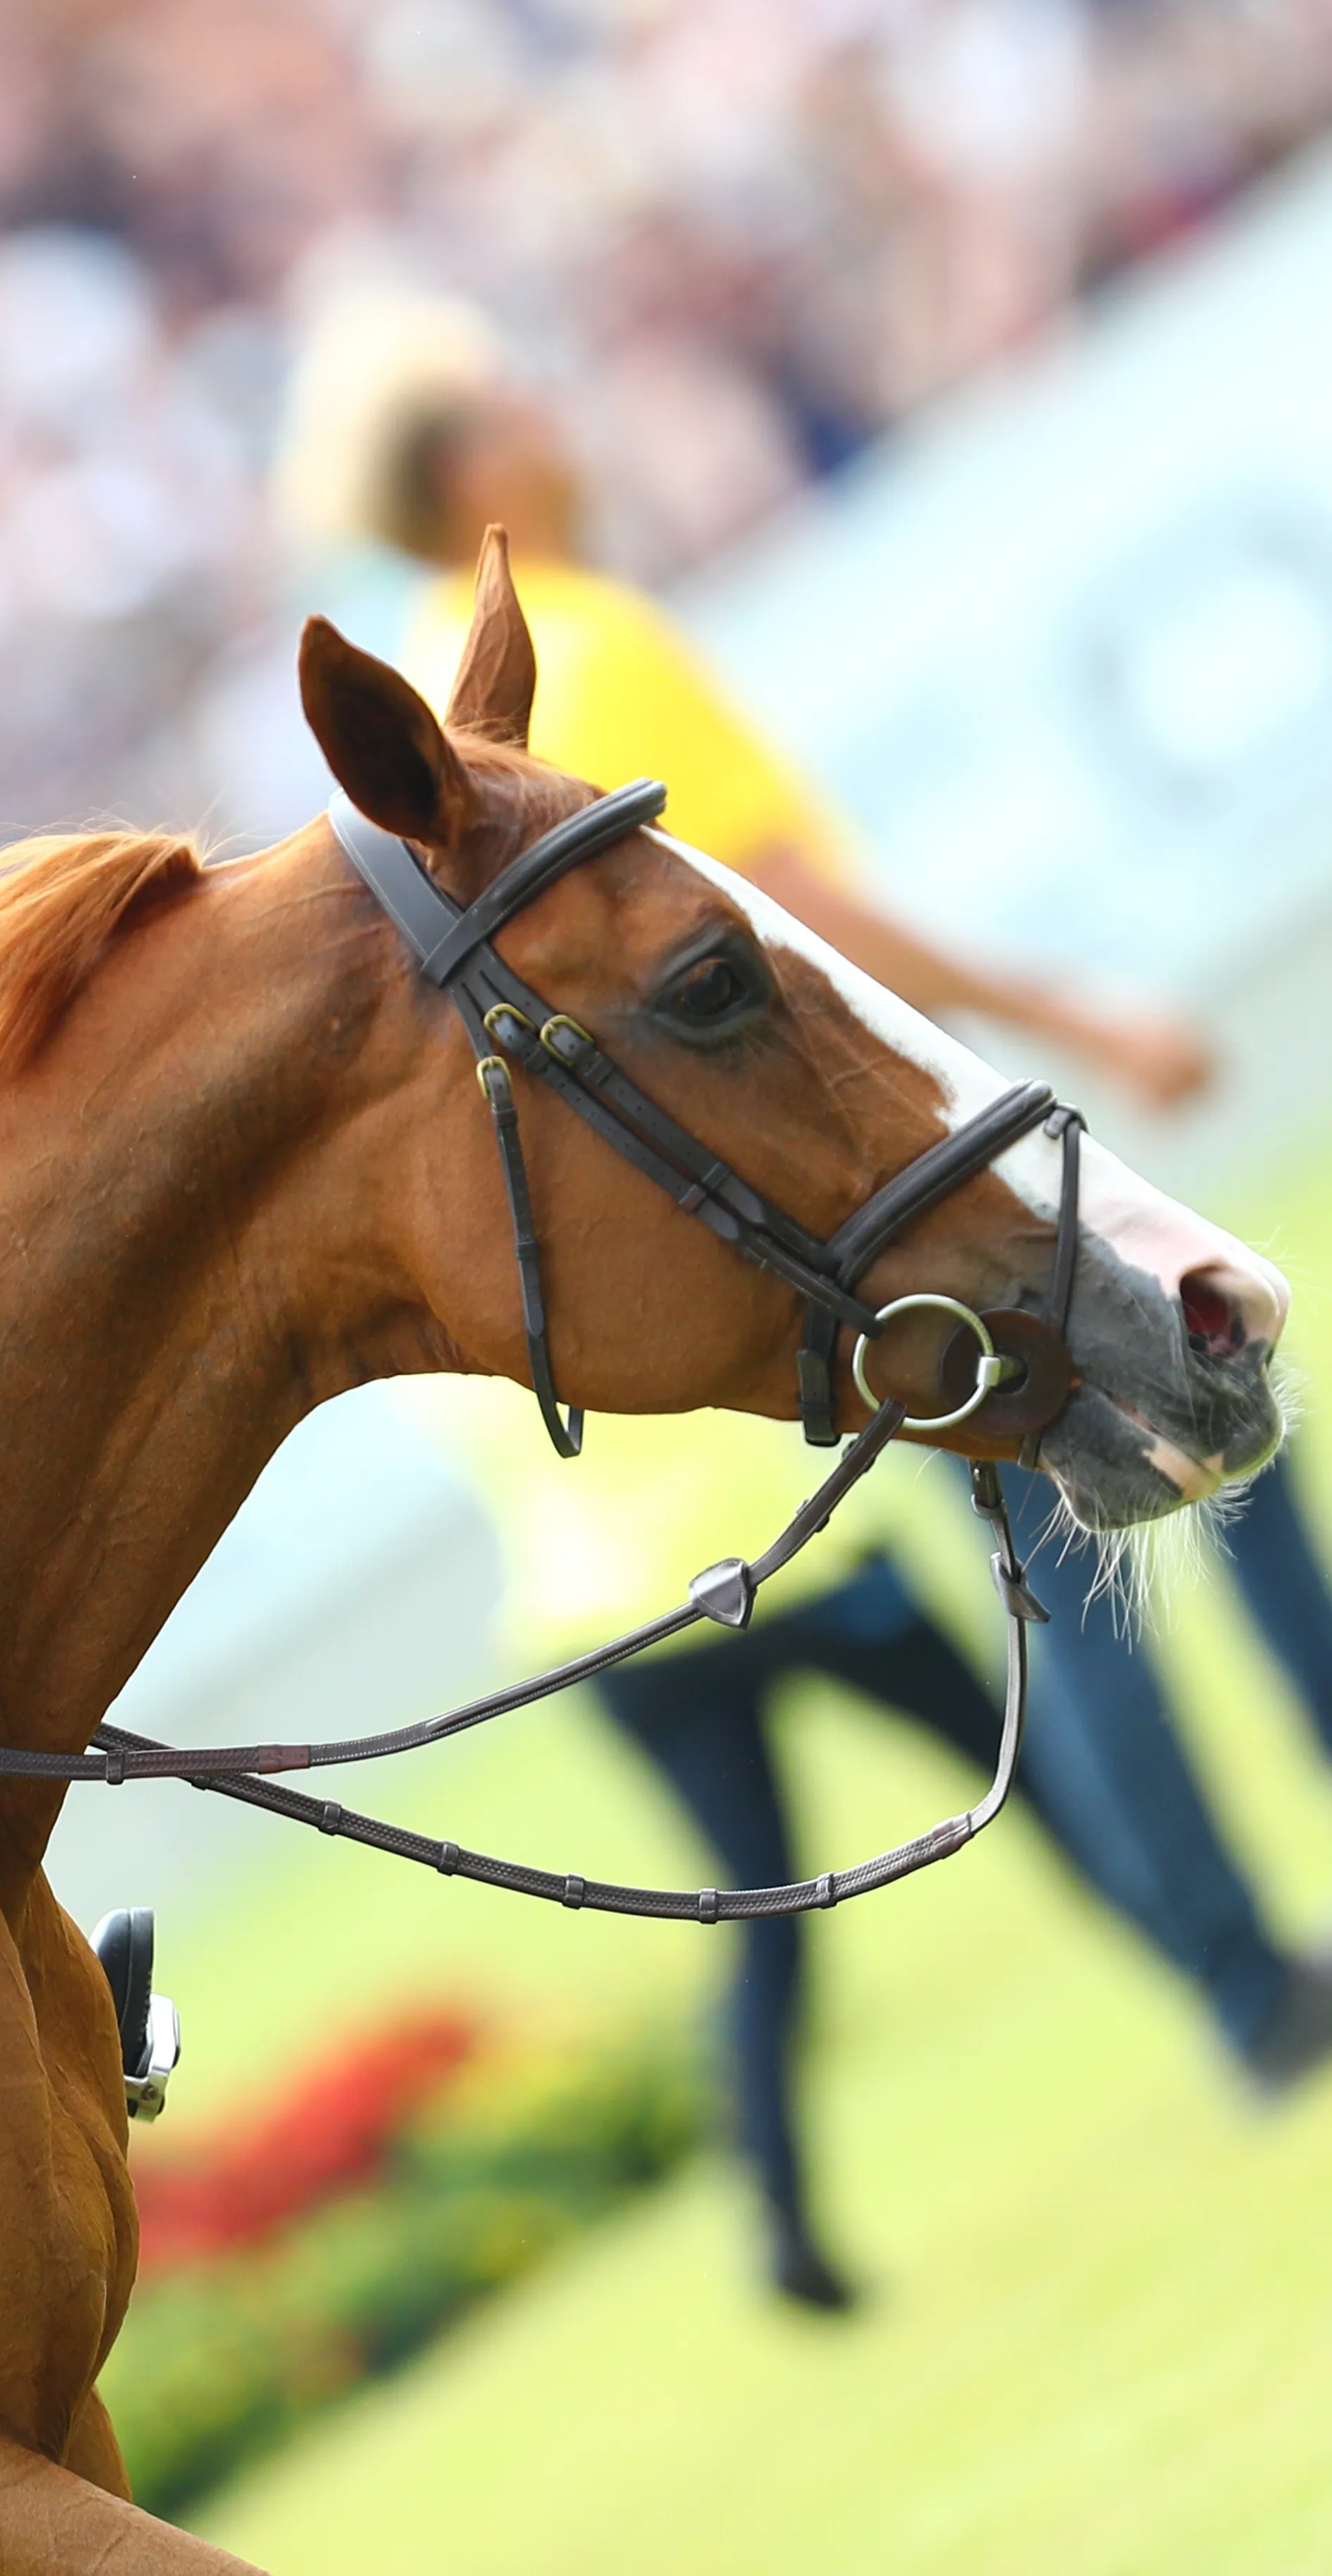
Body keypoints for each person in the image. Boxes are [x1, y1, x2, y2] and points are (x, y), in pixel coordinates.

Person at [280, 301, 1332, 2308]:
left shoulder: (468, 683)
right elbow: (781, 909)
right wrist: (1069, 1015)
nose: (551, 407)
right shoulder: (577, 637)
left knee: (1057, 1539)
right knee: (1184, 1416)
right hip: (879, 1151)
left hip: (755, 1307)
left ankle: (1229, 1970)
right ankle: (1243, 1960)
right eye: (508, 397)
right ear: (461, 473)